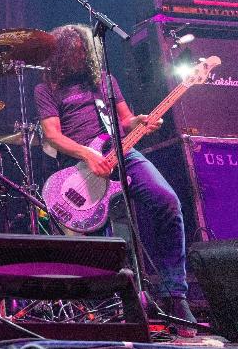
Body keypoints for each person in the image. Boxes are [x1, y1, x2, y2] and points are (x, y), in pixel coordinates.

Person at [33, 23, 195, 323]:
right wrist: (88, 154)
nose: (77, 57)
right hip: (82, 167)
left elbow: (126, 119)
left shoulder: (105, 80)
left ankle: (175, 294)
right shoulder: (46, 89)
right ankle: (108, 307)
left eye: (82, 51)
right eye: (70, 52)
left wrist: (139, 122)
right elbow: (52, 135)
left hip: (123, 154)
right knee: (99, 243)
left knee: (168, 202)